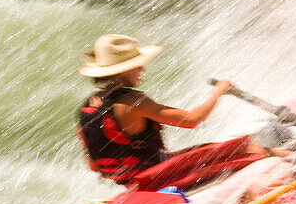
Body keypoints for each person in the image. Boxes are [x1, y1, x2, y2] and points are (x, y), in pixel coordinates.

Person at [77, 34, 273, 189]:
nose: (142, 69)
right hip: (159, 178)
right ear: (123, 71)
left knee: (205, 148)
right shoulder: (133, 102)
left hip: (134, 185)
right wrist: (219, 91)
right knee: (252, 149)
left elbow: (93, 166)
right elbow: (192, 120)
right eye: (137, 65)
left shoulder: (88, 108)